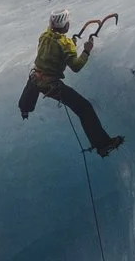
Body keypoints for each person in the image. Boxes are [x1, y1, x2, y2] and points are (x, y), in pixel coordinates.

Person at [18, 8, 122, 156]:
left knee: (35, 83)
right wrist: (86, 51)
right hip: (51, 85)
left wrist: (70, 43)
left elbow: (53, 48)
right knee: (84, 108)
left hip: (35, 80)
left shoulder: (44, 36)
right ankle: (102, 144)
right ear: (66, 25)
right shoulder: (65, 44)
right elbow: (76, 66)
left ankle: (25, 109)